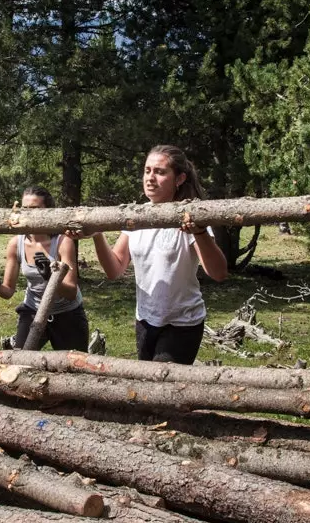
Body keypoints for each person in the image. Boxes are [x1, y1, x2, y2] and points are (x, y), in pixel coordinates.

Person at [83, 145, 227, 364]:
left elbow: (218, 273)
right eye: (147, 170)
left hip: (182, 322)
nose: (150, 178)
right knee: (148, 388)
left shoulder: (190, 216)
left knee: (161, 387)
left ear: (179, 179)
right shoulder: (136, 216)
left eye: (160, 172)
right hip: (145, 320)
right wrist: (97, 234)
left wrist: (198, 231)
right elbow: (115, 268)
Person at [0, 185, 89, 350]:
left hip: (67, 313)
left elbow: (71, 292)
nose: (28, 214)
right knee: (20, 363)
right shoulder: (16, 243)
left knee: (73, 368)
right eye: (25, 209)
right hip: (33, 311)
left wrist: (51, 278)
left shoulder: (62, 242)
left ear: (48, 210)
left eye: (35, 209)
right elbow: (8, 291)